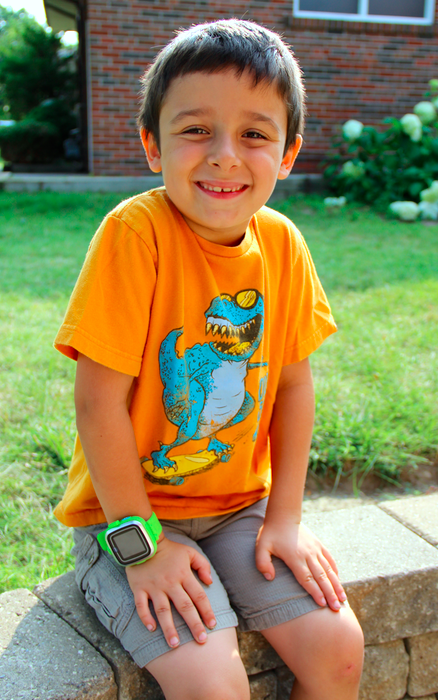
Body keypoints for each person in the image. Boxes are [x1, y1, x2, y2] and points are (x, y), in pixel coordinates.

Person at [54, 18, 364, 700]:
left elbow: (292, 386)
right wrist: (143, 547)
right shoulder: (134, 235)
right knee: (212, 684)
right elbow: (97, 403)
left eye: (254, 134)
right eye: (196, 129)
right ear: (152, 144)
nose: (225, 156)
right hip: (127, 517)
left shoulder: (283, 245)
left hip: (238, 510)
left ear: (287, 153)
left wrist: (285, 519)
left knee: (339, 650)